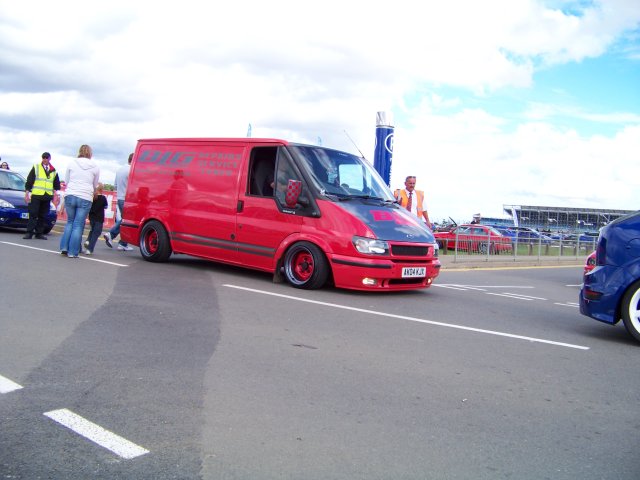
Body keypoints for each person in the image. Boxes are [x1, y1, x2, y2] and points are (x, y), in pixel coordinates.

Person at [59, 145, 100, 258]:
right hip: (85, 196)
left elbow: (67, 180)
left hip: (71, 193)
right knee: (78, 225)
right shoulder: (95, 166)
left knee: (70, 222)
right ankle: (73, 252)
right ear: (90, 153)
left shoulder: (72, 163)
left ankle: (64, 247)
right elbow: (94, 184)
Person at [23, 152, 60, 239]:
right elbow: (30, 180)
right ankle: (29, 232)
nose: (45, 159)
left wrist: (55, 195)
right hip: (36, 194)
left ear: (49, 159)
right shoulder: (36, 167)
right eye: (43, 157)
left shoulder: (53, 170)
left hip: (47, 195)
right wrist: (27, 193)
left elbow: (56, 184)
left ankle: (39, 233)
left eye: (47, 158)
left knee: (43, 215)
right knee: (33, 214)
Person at [104, 153, 134, 251]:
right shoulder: (131, 170)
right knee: (126, 221)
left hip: (120, 197)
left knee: (124, 220)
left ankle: (122, 242)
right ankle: (113, 235)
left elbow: (115, 185)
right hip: (128, 198)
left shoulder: (120, 170)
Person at [83, 183, 108, 255]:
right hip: (99, 218)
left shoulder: (92, 197)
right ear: (101, 190)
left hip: (92, 217)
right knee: (96, 233)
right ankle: (90, 249)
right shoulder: (103, 198)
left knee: (92, 230)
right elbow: (106, 206)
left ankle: (88, 240)